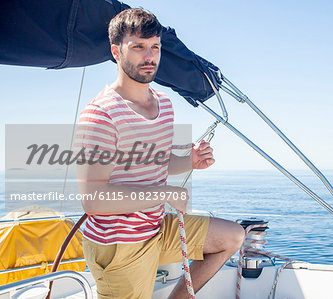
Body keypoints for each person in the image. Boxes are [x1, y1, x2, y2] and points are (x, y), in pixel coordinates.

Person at [76, 8, 245, 299]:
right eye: (138, 47)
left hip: (155, 227)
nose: (149, 56)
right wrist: (164, 192)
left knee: (232, 237)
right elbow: (94, 200)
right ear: (116, 52)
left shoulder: (163, 104)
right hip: (119, 243)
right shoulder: (100, 115)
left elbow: (156, 160)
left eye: (155, 46)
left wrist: (188, 161)